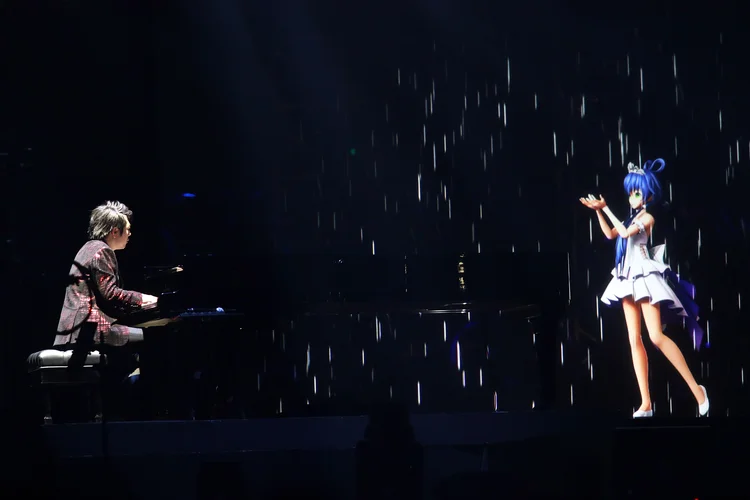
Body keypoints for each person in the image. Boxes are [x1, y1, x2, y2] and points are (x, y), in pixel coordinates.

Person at [580, 159, 709, 418]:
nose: (632, 197)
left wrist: (605, 209)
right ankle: (646, 403)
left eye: (636, 192)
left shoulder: (647, 217)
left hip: (646, 276)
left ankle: (698, 391)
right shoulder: (630, 217)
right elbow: (610, 235)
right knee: (633, 339)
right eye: (630, 193)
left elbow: (625, 235)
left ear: (648, 194)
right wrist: (598, 211)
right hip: (627, 277)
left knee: (655, 337)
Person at [55, 200, 158, 347]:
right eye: (128, 229)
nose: (130, 233)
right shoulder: (102, 250)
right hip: (92, 331)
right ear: (115, 231)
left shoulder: (88, 248)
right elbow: (111, 294)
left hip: (77, 331)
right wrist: (145, 299)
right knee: (154, 337)